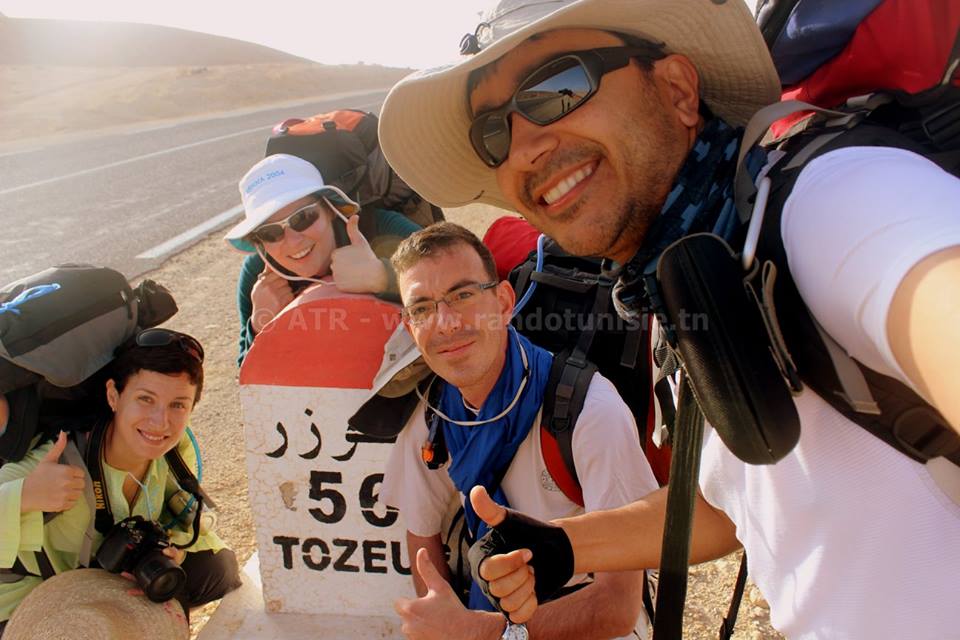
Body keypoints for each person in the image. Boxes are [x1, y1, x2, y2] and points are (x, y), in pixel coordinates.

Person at [376, 0, 960, 638]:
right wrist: (563, 545)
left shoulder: (832, 200)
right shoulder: (685, 272)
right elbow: (735, 506)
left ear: (679, 90)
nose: (523, 148)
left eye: (559, 86)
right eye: (493, 131)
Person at [382, 222, 659, 640]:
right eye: (422, 308)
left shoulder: (588, 412)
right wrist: (443, 615)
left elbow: (618, 606)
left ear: (504, 301)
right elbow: (423, 534)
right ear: (409, 328)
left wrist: (478, 632)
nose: (446, 323)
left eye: (462, 295)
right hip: (485, 615)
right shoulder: (433, 415)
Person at [0, 329, 240, 635]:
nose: (160, 422)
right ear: (114, 395)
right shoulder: (58, 457)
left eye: (178, 405)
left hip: (96, 579)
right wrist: (23, 496)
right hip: (28, 597)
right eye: (145, 399)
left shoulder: (174, 453)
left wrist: (173, 549)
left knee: (215, 569)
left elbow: (185, 516)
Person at [224, 153, 422, 365]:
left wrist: (384, 276)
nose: (293, 241)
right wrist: (260, 325)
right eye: (270, 233)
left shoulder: (383, 229)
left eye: (303, 217)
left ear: (330, 209)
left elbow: (457, 274)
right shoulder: (258, 275)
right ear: (259, 242)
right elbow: (248, 375)